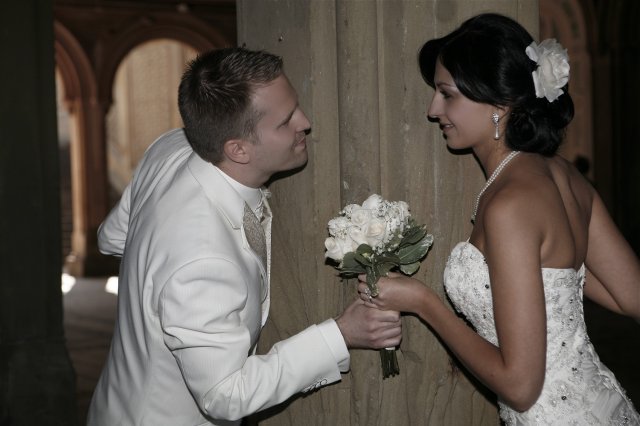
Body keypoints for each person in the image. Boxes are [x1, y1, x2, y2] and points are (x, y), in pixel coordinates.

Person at [88, 47, 402, 425]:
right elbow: (225, 394)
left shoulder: (170, 146)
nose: (305, 122)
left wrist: (157, 290)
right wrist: (340, 334)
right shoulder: (202, 260)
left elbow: (111, 237)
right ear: (237, 149)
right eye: (285, 121)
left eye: (296, 106)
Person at [358, 13, 640, 425]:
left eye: (447, 94)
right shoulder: (565, 176)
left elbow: (521, 387)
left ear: (498, 103)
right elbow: (630, 296)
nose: (433, 109)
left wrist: (423, 302)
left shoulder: (509, 204)